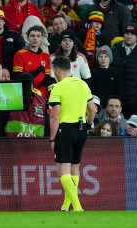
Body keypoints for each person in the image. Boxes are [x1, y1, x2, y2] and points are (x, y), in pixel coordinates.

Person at [49, 56, 95, 212]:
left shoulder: (58, 87)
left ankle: (77, 207)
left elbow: (55, 115)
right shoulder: (83, 84)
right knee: (74, 168)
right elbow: (93, 110)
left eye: (53, 71)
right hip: (81, 129)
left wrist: (52, 138)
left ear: (57, 70)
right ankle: (65, 206)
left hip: (65, 129)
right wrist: (88, 125)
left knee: (63, 170)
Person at [0, 72, 49, 137]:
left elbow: (47, 127)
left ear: (32, 85)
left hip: (36, 145)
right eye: (23, 83)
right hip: (12, 145)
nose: (26, 86)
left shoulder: (42, 101)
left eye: (28, 83)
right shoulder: (9, 100)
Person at [13, 25, 51, 97]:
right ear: (27, 38)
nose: (35, 38)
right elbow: (17, 77)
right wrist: (36, 72)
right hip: (27, 92)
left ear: (42, 39)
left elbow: (47, 76)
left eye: (38, 36)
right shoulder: (20, 54)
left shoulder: (45, 56)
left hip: (42, 94)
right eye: (32, 36)